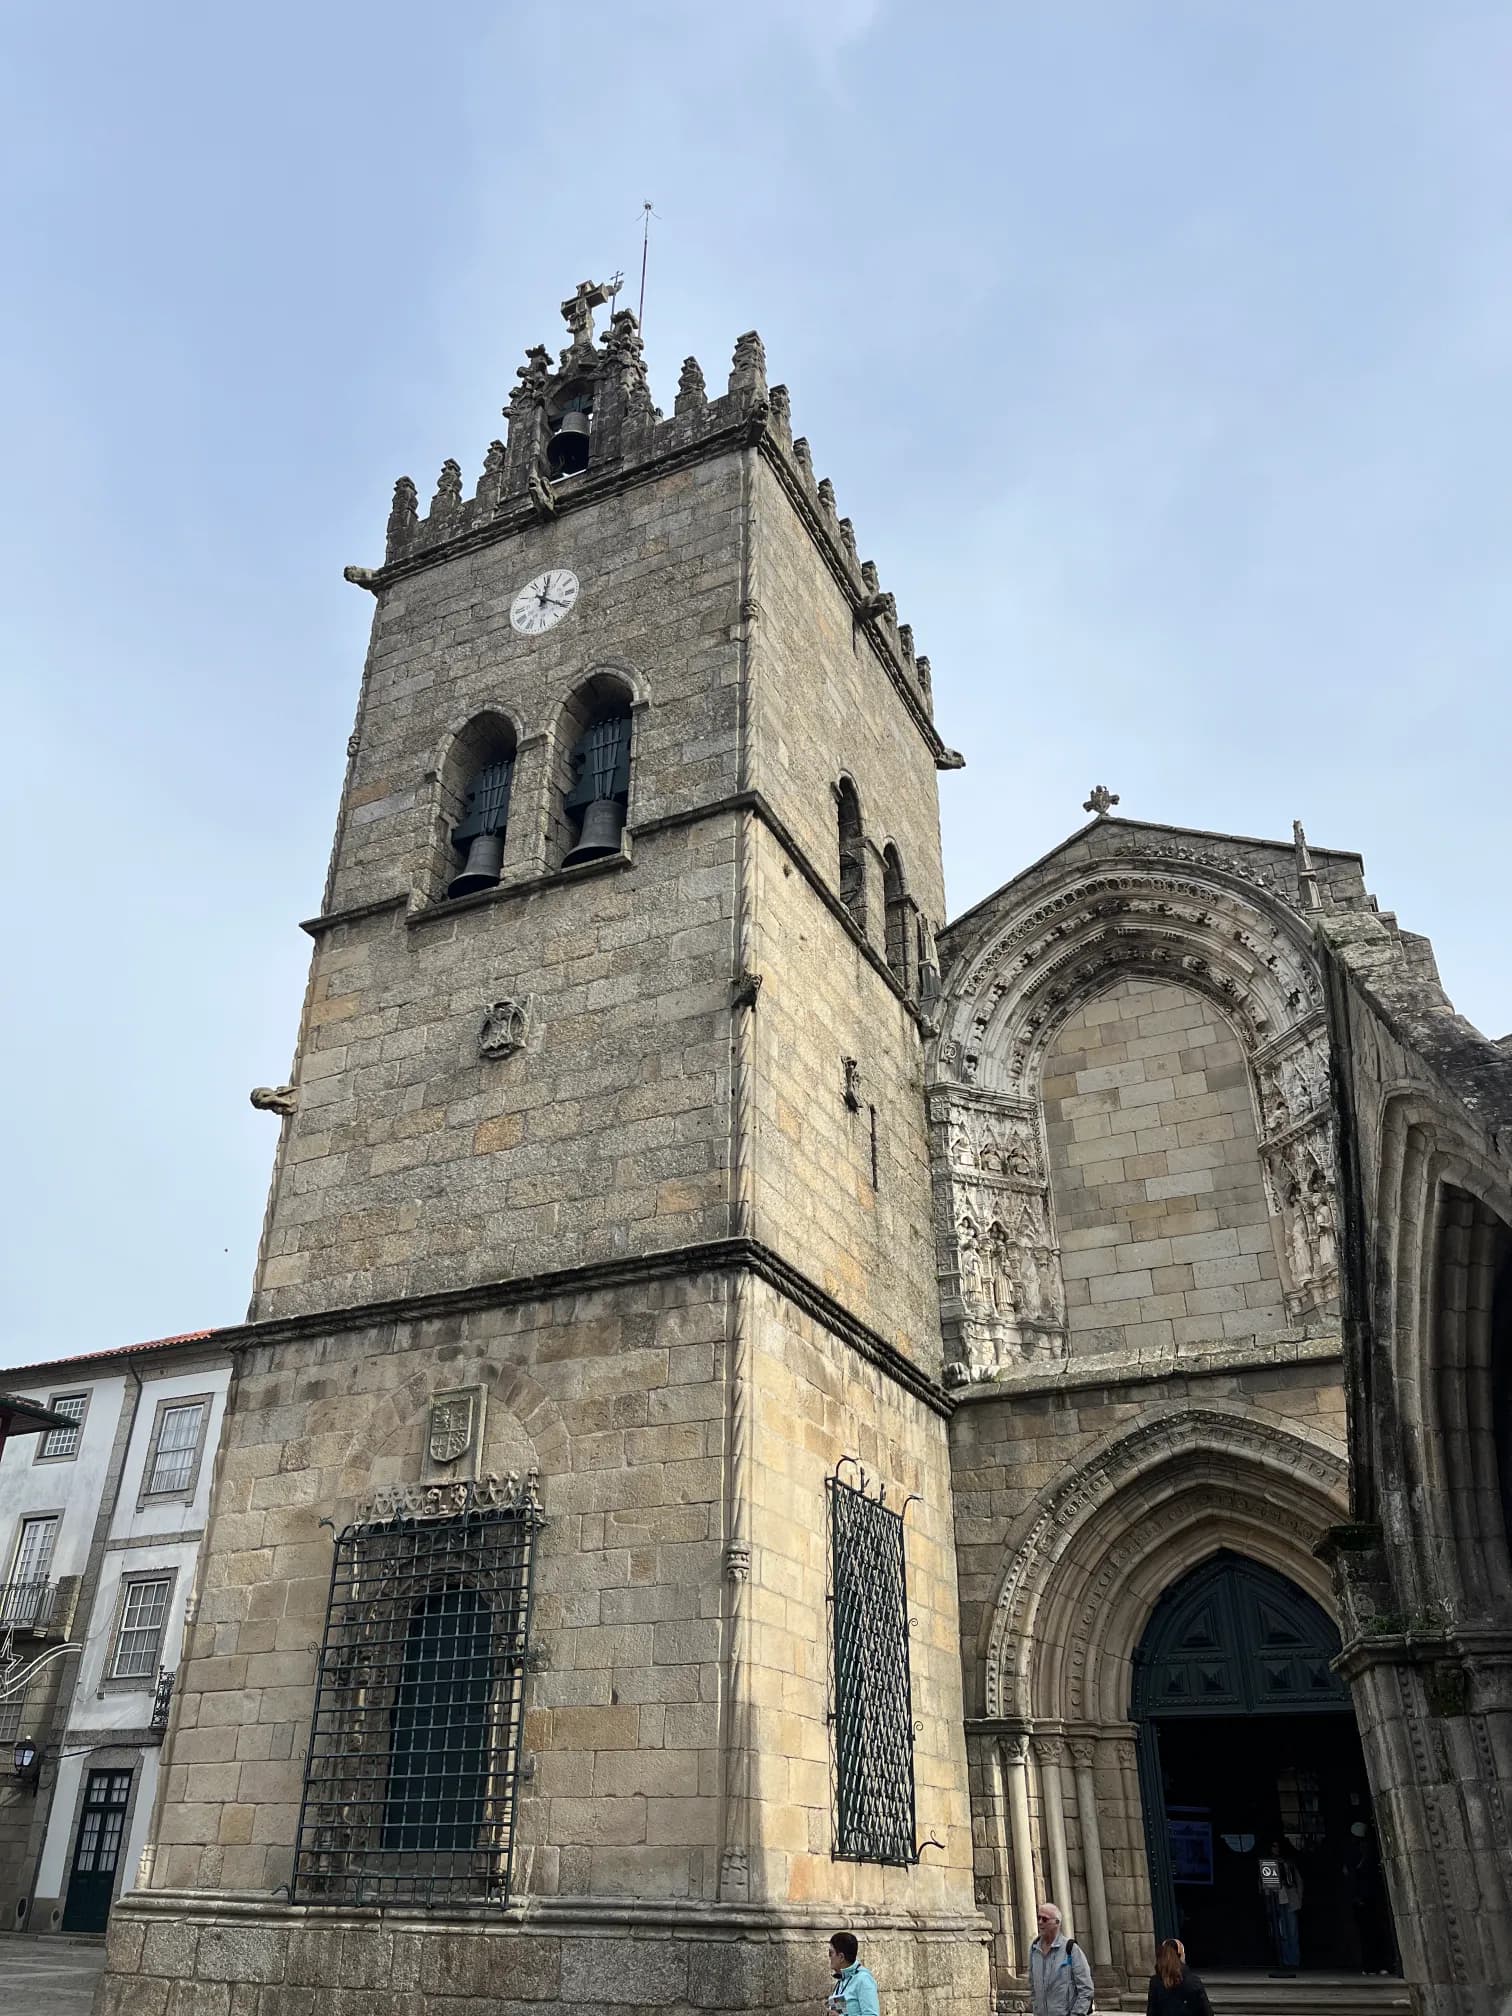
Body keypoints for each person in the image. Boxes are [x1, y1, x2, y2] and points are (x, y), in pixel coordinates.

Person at [1028, 1902, 1095, 2016]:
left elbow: (1086, 1989)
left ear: (1057, 1923)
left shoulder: (1071, 1949)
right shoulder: (1034, 1949)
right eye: (1038, 1918)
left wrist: (1077, 2014)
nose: (1040, 1922)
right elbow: (1032, 1985)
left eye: (1045, 1919)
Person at [1258, 1842, 1303, 1969]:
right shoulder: (1267, 1863)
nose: (1276, 1849)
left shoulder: (1289, 1862)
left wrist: (1299, 1898)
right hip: (1275, 1899)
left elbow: (1298, 1881)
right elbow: (1263, 1884)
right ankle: (1285, 1961)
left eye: (1278, 1846)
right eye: (1273, 1846)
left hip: (1290, 1898)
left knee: (1292, 1931)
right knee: (1281, 1931)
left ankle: (1294, 1960)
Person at [1145, 1938, 1213, 2016]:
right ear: (1181, 1956)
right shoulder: (1194, 1981)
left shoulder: (1155, 1982)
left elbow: (1151, 2012)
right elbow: (1207, 2012)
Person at [826, 1932, 880, 2016]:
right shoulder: (842, 1979)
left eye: (831, 1953)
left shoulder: (863, 1979)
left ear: (841, 1957)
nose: (829, 1957)